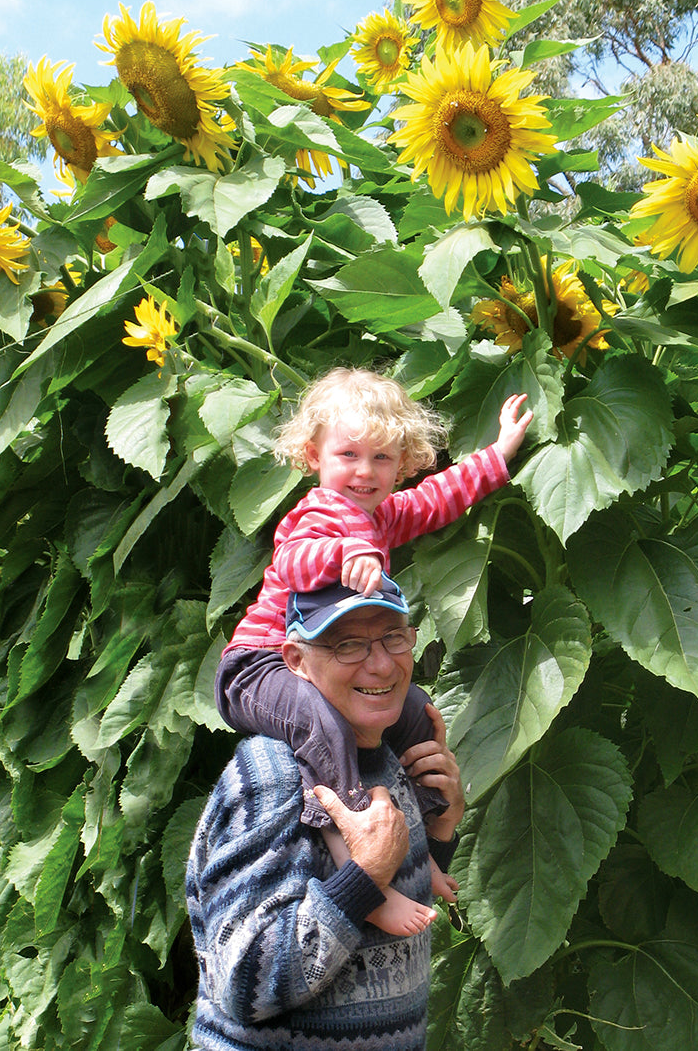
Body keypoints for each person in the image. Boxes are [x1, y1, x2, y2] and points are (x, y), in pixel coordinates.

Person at [215, 366, 532, 934]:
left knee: (416, 712)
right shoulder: (317, 514)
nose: (365, 472)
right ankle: (362, 872)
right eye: (349, 455)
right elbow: (292, 562)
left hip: (320, 662)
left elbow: (441, 497)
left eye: (383, 459)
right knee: (323, 725)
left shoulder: (379, 516)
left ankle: (428, 850)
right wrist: (342, 557)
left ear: (403, 461)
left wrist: (500, 452)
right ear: (314, 456)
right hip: (260, 664)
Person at [186, 578, 463, 1051]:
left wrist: (441, 827)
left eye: (393, 637)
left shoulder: (386, 756)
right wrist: (366, 875)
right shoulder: (271, 777)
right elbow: (243, 981)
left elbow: (392, 914)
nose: (380, 664)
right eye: (348, 645)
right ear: (296, 661)